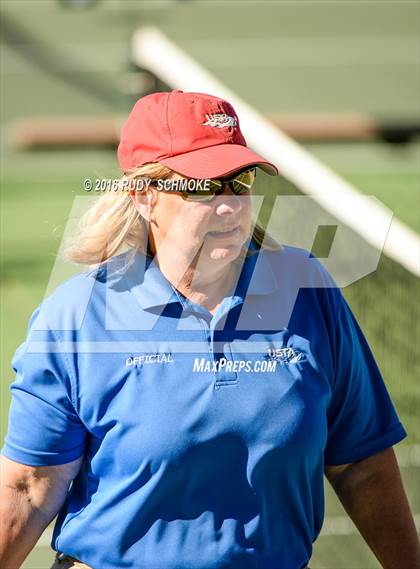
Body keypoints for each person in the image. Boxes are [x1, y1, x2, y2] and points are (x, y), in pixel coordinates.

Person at [0, 90, 419, 569]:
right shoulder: (77, 316)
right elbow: (29, 489)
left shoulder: (307, 293)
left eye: (238, 182)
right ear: (144, 196)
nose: (229, 205)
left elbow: (361, 463)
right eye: (202, 186)